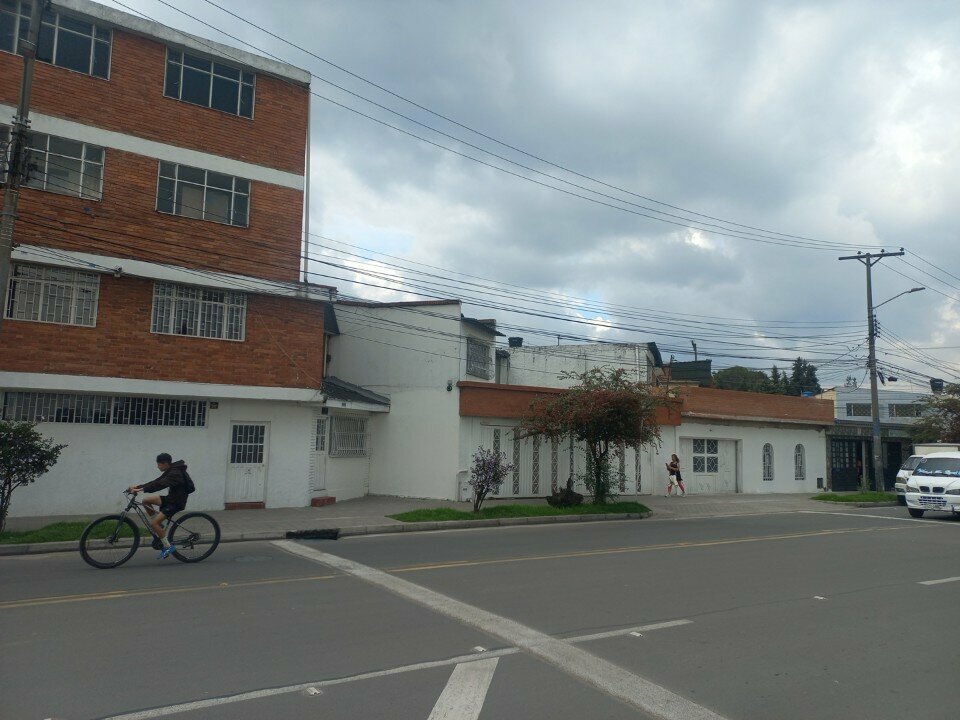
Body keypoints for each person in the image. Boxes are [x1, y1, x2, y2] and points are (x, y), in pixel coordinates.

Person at [128, 453, 189, 559]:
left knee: (153, 523)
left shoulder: (175, 473)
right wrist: (139, 486)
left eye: (159, 464)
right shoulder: (170, 470)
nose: (157, 466)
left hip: (176, 503)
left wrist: (142, 489)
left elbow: (160, 485)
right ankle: (159, 526)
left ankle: (168, 546)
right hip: (171, 499)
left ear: (165, 463)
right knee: (146, 501)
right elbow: (157, 481)